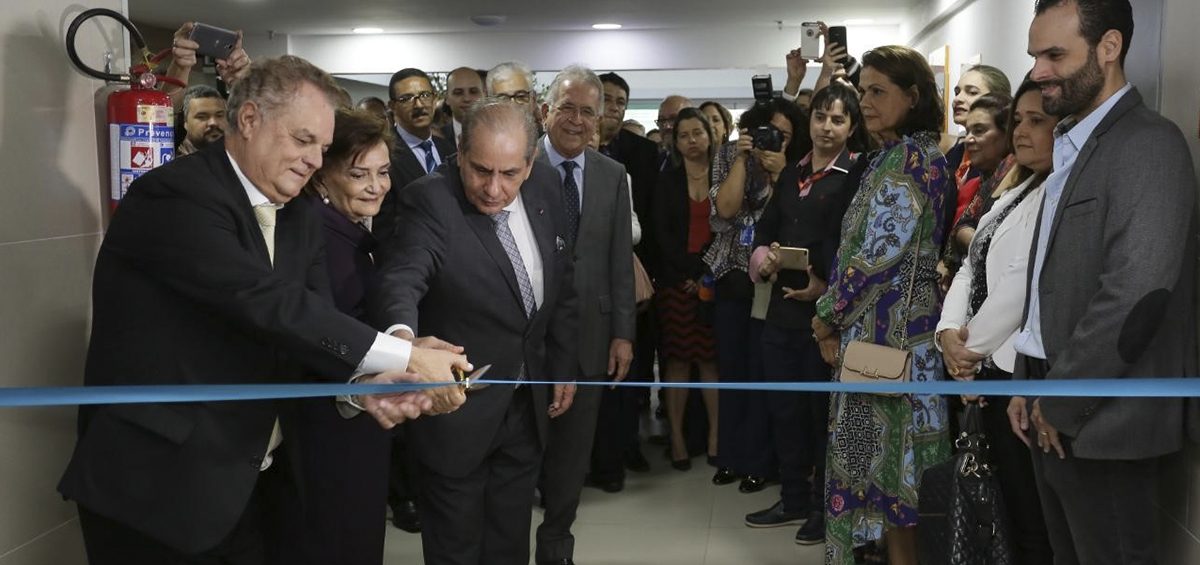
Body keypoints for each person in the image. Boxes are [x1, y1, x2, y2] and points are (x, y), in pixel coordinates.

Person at [57, 55, 468, 565]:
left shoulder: (297, 215)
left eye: (321, 147)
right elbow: (267, 303)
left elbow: (305, 328)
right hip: (158, 490)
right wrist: (400, 355)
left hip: (253, 484)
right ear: (249, 120)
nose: (316, 161)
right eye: (302, 140)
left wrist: (364, 390)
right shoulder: (174, 196)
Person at [1009, 1, 1198, 563]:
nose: (1039, 71)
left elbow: (1136, 296)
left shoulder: (1148, 144)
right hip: (1053, 400)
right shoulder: (1073, 143)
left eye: (1054, 55)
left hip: (1105, 422)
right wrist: (1026, 378)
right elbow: (1051, 279)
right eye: (1035, 55)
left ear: (1109, 47)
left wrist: (1058, 401)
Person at [369, 99, 581, 565]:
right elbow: (402, 276)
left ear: (530, 163)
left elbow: (561, 284)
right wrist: (403, 345)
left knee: (509, 542)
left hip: (526, 402)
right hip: (456, 412)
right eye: (480, 170)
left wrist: (563, 364)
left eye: (509, 173)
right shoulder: (430, 198)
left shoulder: (546, 184)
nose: (493, 189)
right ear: (459, 153)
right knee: (456, 549)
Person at [811, 45, 952, 565]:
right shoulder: (896, 155)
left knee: (893, 482)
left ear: (912, 97)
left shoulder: (911, 160)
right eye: (862, 89)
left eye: (878, 92)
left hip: (889, 345)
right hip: (881, 338)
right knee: (888, 481)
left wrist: (825, 316)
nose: (865, 102)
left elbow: (872, 259)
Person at [286, 108, 437, 564]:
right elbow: (321, 333)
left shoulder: (351, 231)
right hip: (330, 422)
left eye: (384, 172)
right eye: (359, 174)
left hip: (361, 413)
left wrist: (409, 349)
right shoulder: (319, 237)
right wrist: (404, 357)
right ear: (321, 177)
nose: (377, 185)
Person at [936, 78, 1055, 564]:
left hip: (1008, 371)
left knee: (1026, 513)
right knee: (997, 505)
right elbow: (970, 265)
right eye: (1018, 121)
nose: (1021, 132)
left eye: (1037, 122)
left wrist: (969, 350)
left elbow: (1020, 282)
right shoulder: (1016, 191)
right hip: (979, 364)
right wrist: (947, 334)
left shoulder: (1058, 193)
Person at [744, 83, 866, 545]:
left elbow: (851, 246)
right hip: (779, 311)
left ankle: (820, 508)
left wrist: (826, 289)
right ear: (809, 121)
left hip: (825, 317)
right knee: (785, 411)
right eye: (820, 117)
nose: (827, 127)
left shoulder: (854, 175)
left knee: (820, 417)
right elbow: (762, 233)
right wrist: (765, 261)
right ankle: (792, 497)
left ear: (852, 127)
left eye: (838, 120)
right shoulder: (793, 172)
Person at [533, 66, 635, 565]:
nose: (576, 120)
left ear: (600, 119)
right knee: (522, 451)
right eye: (566, 108)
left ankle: (556, 547)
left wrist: (623, 333)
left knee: (573, 457)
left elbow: (620, 260)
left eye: (587, 112)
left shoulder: (613, 175)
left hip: (594, 335)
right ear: (545, 109)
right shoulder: (517, 163)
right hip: (528, 338)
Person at [707, 97, 808, 493]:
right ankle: (730, 456)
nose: (774, 140)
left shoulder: (797, 167)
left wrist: (782, 172)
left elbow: (794, 215)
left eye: (783, 135)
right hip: (732, 276)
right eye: (767, 132)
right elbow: (726, 210)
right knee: (732, 371)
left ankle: (760, 462)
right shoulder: (731, 154)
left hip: (773, 281)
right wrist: (740, 159)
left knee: (764, 372)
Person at [592, 71, 662, 483]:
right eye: (606, 100)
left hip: (626, 277)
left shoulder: (634, 158)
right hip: (575, 289)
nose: (612, 109)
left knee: (625, 370)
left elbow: (643, 224)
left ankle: (623, 450)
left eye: (620, 101)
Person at [653, 107, 719, 472]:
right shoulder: (668, 180)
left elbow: (727, 226)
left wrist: (704, 273)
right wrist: (686, 274)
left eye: (698, 132)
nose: (692, 140)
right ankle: (677, 438)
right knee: (676, 361)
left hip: (713, 280)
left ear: (709, 135)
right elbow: (661, 233)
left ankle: (715, 438)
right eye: (683, 135)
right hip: (676, 283)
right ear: (675, 142)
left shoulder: (724, 177)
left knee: (710, 361)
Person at [374, 67, 457, 241]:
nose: (418, 105)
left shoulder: (448, 149)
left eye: (425, 95)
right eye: (406, 99)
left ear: (435, 99)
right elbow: (383, 228)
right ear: (392, 107)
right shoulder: (382, 155)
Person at [487, 61, 542, 130]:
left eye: (520, 96)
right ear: (490, 105)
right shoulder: (480, 140)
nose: (513, 105)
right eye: (503, 99)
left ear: (533, 100)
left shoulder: (548, 139)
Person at [176, 84, 227, 156]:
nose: (213, 122)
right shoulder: (174, 162)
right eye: (202, 117)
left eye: (219, 115)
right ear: (184, 121)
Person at [443, 66, 485, 148]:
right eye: (458, 93)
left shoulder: (499, 134)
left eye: (473, 92)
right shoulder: (436, 138)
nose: (467, 99)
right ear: (447, 98)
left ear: (484, 95)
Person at [655, 95, 693, 162]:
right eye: (662, 120)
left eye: (673, 119)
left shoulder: (703, 162)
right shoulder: (656, 161)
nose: (667, 126)